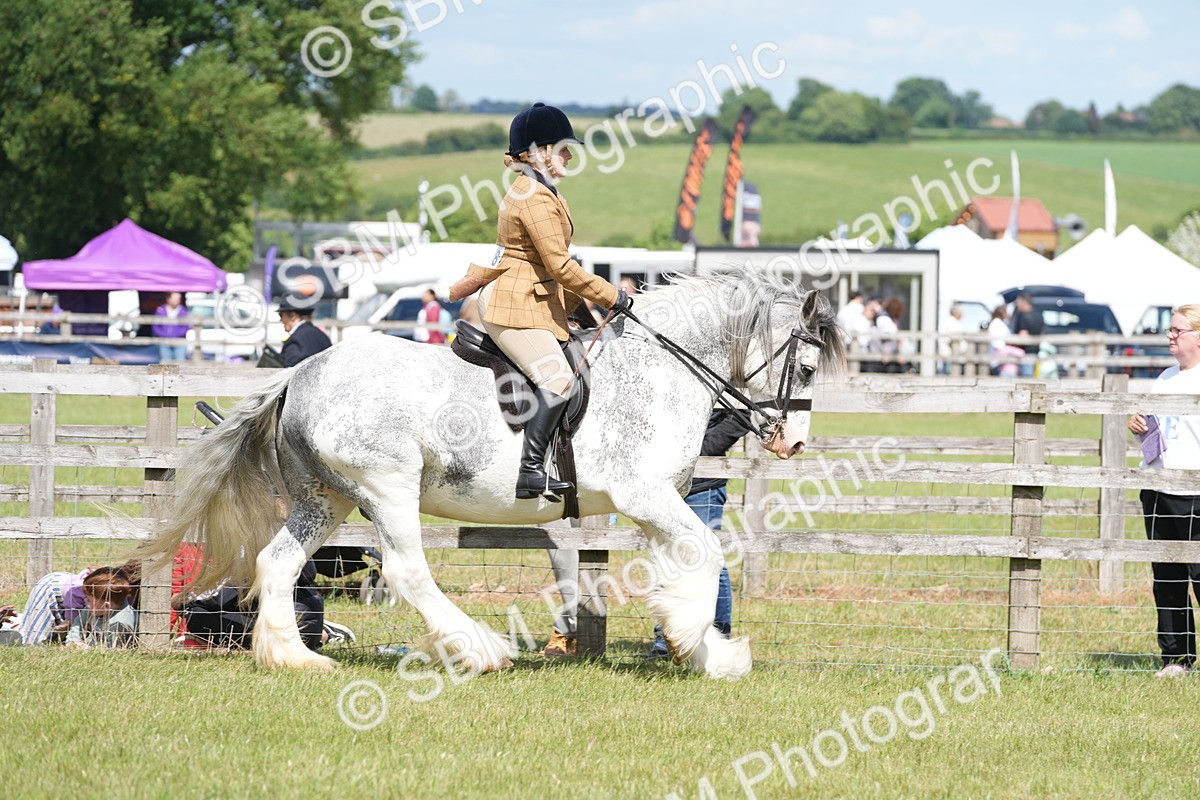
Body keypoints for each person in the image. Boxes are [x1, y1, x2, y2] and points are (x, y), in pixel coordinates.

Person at [447, 102, 632, 501]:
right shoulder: (534, 197)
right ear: (540, 152)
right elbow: (561, 266)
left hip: (532, 301)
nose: (570, 157)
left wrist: (585, 311)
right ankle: (530, 471)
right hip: (514, 305)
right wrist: (612, 295)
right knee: (558, 378)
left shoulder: (543, 191)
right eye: (564, 149)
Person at [1129, 305, 1200, 678]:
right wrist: (1139, 424)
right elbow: (1157, 427)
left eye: (1178, 330)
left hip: (1194, 492)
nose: (1170, 335)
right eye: (1170, 330)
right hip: (1158, 487)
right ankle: (1176, 659)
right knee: (1167, 578)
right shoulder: (1165, 377)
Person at [648, 409, 753, 658]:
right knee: (668, 559)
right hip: (664, 484)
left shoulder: (727, 388)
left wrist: (693, 452)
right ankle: (667, 639)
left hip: (702, 484)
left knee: (708, 559)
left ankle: (717, 636)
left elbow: (741, 418)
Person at [65, 565, 140, 648]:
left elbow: (110, 648)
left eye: (89, 599)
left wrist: (86, 649)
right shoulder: (93, 608)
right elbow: (77, 624)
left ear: (106, 606)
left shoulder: (120, 622)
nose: (85, 600)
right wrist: (73, 642)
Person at [278, 298, 332, 368]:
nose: (280, 320)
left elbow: (288, 370)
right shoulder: (323, 337)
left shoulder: (295, 340)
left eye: (281, 315)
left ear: (292, 316)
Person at [1008, 293, 1043, 377]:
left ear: (1024, 302)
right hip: (1036, 351)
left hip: (1025, 353)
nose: (1017, 305)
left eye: (1018, 302)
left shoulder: (1024, 317)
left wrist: (1011, 344)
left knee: (1026, 380)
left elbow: (1023, 336)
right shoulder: (1038, 315)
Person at [987, 304, 1024, 377]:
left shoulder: (999, 322)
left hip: (1001, 351)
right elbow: (997, 342)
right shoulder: (997, 323)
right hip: (999, 352)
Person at [152, 291, 190, 362]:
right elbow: (156, 326)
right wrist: (163, 335)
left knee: (180, 363)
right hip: (164, 341)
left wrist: (178, 334)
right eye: (174, 298)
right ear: (168, 299)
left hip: (179, 341)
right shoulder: (160, 310)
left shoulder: (183, 311)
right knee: (166, 364)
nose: (177, 300)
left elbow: (187, 325)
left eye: (178, 298)